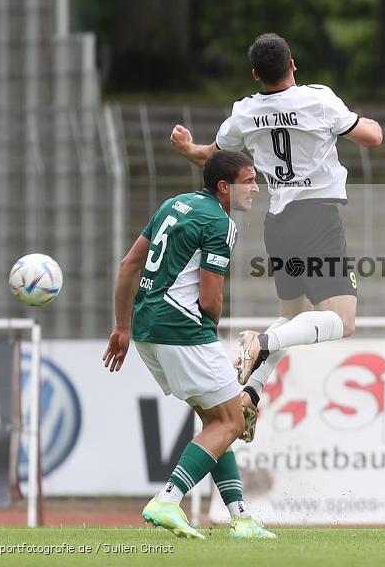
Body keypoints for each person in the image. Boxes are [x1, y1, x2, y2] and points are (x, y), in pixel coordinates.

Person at [170, 33, 383, 434]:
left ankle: (251, 390)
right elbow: (373, 137)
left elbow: (210, 155)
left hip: (278, 223)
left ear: (255, 75)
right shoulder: (318, 99)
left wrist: (187, 147)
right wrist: (362, 121)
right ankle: (261, 341)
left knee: (292, 318)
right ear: (293, 65)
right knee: (343, 320)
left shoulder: (245, 113)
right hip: (318, 217)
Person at [102, 150, 276, 540]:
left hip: (148, 329)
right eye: (248, 180)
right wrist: (210, 343)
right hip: (183, 331)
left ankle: (241, 519)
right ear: (223, 187)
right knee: (232, 421)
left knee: (217, 423)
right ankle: (168, 498)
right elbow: (211, 300)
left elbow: (129, 264)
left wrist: (121, 326)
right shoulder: (219, 222)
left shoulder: (173, 204)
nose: (255, 188)